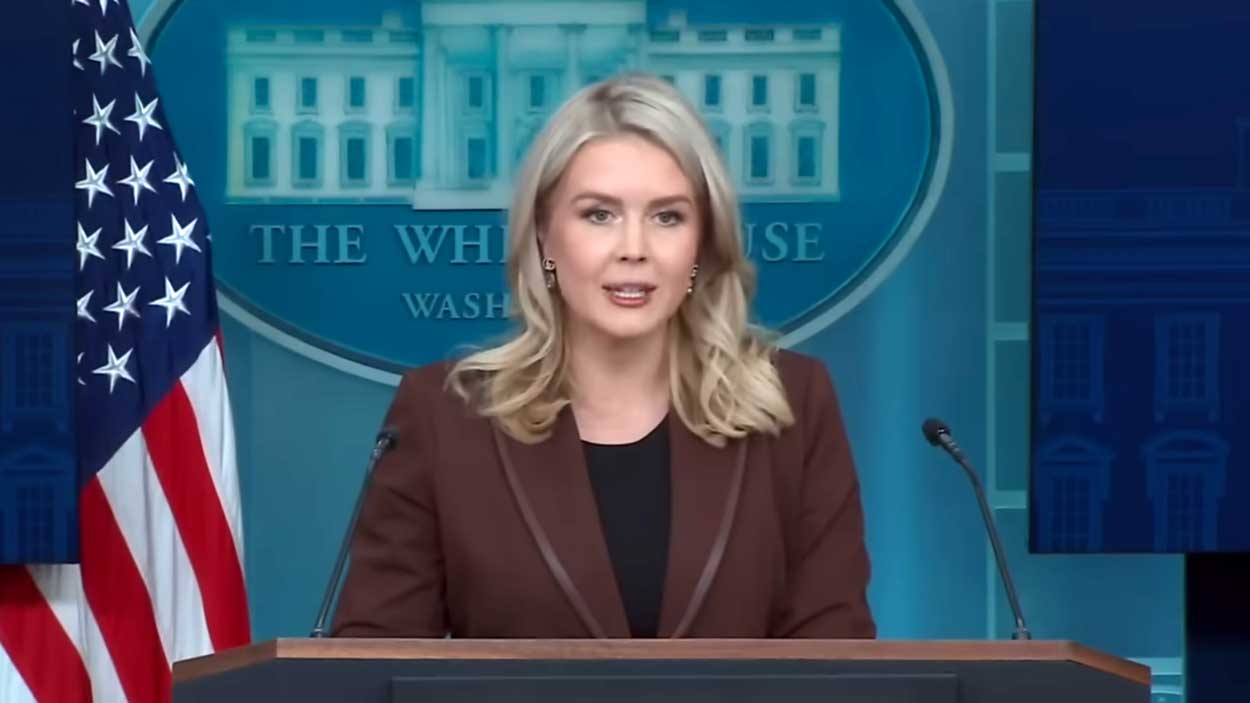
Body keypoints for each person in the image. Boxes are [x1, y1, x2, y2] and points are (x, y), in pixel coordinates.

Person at [331, 73, 875, 639]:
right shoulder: (445, 416)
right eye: (599, 215)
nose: (634, 249)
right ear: (544, 235)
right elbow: (374, 658)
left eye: (667, 217)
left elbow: (835, 653)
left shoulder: (793, 407)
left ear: (702, 243)